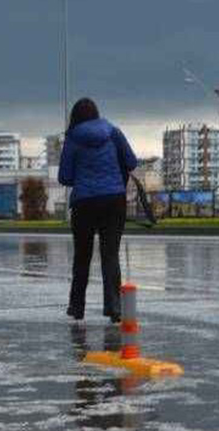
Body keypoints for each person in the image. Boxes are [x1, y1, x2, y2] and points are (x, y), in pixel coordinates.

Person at [58, 98, 137, 323]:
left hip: (84, 202)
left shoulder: (73, 138)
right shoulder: (113, 132)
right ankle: (114, 307)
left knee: (82, 256)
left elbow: (64, 176)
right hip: (114, 200)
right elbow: (131, 162)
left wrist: (83, 176)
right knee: (110, 254)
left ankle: (77, 307)